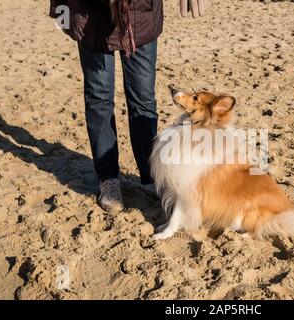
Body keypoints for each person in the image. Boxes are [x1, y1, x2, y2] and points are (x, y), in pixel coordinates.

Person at [49, 0, 210, 212]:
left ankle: (150, 174)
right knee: (99, 98)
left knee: (143, 99)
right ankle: (108, 179)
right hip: (90, 15)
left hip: (140, 13)